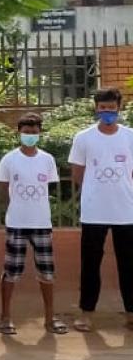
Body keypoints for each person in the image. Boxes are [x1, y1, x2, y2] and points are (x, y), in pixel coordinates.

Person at [67, 87, 133, 333]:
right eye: (102, 107)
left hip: (126, 212)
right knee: (90, 264)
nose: (107, 112)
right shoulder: (83, 138)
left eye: (111, 107)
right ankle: (86, 314)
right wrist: (97, 190)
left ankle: (130, 314)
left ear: (119, 107)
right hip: (94, 212)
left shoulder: (130, 137)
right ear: (96, 108)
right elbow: (77, 174)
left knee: (129, 265)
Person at [0, 113, 67, 336]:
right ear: (19, 133)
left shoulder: (47, 159)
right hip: (17, 223)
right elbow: (2, 192)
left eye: (34, 132)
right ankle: (6, 317)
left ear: (40, 133)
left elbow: (50, 189)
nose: (30, 136)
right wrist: (13, 210)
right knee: (11, 271)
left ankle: (50, 317)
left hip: (41, 223)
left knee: (47, 271)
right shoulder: (9, 159)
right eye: (26, 132)